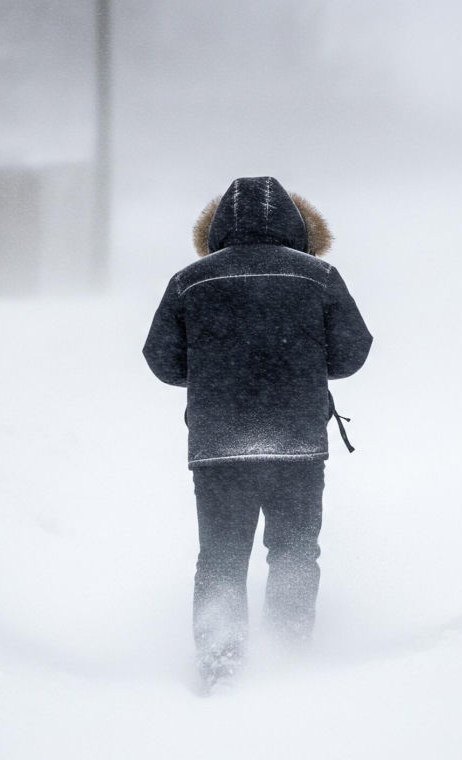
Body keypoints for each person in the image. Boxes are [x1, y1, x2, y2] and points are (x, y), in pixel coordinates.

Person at [143, 176, 372, 688]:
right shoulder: (319, 276)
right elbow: (353, 351)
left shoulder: (190, 281)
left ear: (217, 227)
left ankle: (221, 661)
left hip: (218, 444)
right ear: (297, 226)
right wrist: (302, 363)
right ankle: (287, 657)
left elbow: (161, 359)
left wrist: (211, 368)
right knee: (294, 549)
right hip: (297, 441)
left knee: (221, 555)